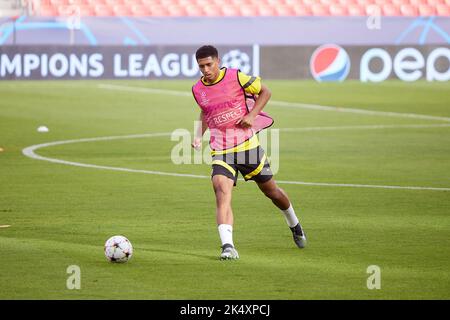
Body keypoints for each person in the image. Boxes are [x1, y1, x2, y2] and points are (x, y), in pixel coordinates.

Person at [191, 45, 306, 260]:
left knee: (272, 192)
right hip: (222, 150)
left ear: (218, 61)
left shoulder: (236, 77)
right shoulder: (198, 89)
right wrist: (198, 135)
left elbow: (266, 92)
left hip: (248, 147)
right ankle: (227, 246)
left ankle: (293, 222)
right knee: (221, 191)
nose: (205, 70)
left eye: (209, 64)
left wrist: (252, 115)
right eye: (201, 66)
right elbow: (206, 111)